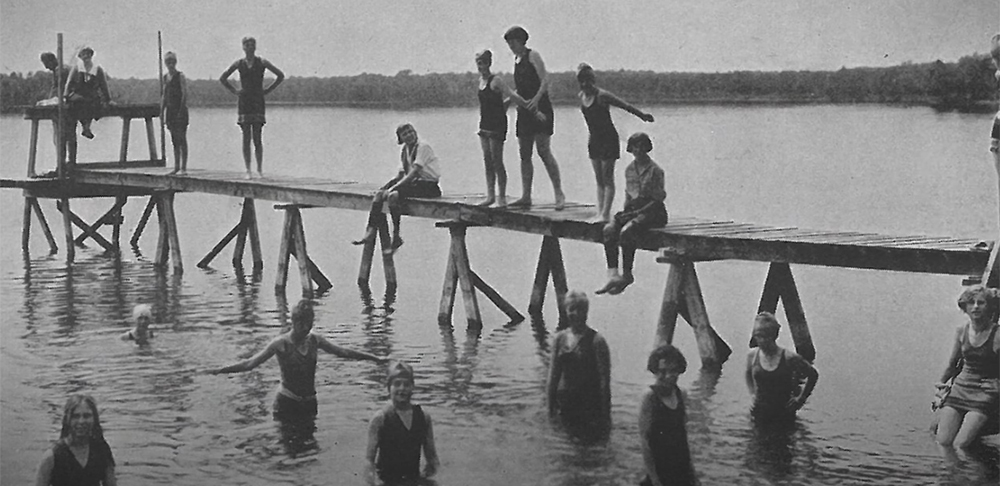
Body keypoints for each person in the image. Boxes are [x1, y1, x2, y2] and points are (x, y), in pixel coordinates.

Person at [210, 300, 386, 417]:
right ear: (294, 323)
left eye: (309, 325)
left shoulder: (314, 340)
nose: (306, 330)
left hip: (310, 402)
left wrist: (374, 358)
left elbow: (343, 352)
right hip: (287, 401)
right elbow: (250, 363)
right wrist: (221, 370)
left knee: (309, 450)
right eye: (302, 326)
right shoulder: (280, 344)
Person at [576, 63, 655, 222]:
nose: (585, 85)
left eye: (588, 81)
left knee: (607, 177)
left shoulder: (602, 96)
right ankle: (600, 211)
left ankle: (605, 214)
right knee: (598, 178)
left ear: (593, 80)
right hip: (594, 140)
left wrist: (642, 116)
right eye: (582, 81)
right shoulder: (581, 97)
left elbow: (625, 105)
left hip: (608, 139)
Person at [352, 123, 442, 255]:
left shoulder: (423, 147)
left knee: (393, 195)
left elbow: (414, 172)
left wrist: (393, 188)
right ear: (401, 138)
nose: (409, 135)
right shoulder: (405, 150)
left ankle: (396, 235)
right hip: (415, 184)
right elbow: (401, 174)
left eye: (411, 131)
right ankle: (370, 231)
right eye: (405, 134)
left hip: (428, 186)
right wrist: (384, 188)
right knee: (379, 195)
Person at [596, 132, 667, 295]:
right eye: (636, 146)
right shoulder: (629, 169)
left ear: (647, 147)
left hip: (653, 211)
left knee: (627, 231)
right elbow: (629, 194)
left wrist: (636, 213)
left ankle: (627, 275)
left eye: (642, 145)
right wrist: (625, 212)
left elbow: (658, 199)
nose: (639, 149)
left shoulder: (656, 170)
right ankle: (613, 275)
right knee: (609, 229)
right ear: (631, 148)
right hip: (634, 209)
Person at [503, 26, 566, 210]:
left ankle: (559, 194)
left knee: (543, 151)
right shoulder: (516, 60)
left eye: (513, 42)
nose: (511, 47)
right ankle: (526, 196)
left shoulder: (533, 56)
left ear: (521, 40)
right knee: (524, 154)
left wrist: (536, 101)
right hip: (524, 110)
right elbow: (522, 87)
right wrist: (509, 100)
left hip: (541, 108)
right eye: (509, 44)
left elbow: (545, 80)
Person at [934, 285, 1000, 448]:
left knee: (960, 445)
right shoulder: (961, 331)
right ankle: (953, 474)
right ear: (965, 307)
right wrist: (939, 389)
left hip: (984, 394)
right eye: (971, 303)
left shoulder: (997, 334)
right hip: (960, 389)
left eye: (981, 303)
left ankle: (970, 473)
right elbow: (952, 364)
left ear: (990, 307)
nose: (976, 306)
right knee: (943, 443)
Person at [474, 49, 537, 208]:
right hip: (484, 124)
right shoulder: (480, 81)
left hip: (497, 125)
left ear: (489, 63)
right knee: (488, 161)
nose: (481, 67)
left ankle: (501, 198)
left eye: (484, 63)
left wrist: (530, 107)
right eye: (479, 64)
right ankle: (490, 196)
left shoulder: (496, 81)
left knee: (497, 161)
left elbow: (512, 95)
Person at [365, 362, 440, 485]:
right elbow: (369, 460)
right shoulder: (380, 419)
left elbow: (432, 457)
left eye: (406, 384)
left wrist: (431, 477)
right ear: (389, 388)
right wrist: (371, 481)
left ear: (412, 387)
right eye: (397, 384)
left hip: (413, 479)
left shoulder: (423, 417)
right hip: (387, 480)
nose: (402, 389)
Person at [219, 36, 284, 179]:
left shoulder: (262, 62)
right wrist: (235, 91)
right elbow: (223, 78)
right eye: (247, 45)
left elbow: (280, 75)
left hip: (257, 101)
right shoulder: (239, 63)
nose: (249, 47)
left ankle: (259, 170)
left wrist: (267, 90)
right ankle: (248, 170)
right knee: (246, 137)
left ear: (255, 47)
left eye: (252, 45)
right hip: (244, 101)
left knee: (257, 137)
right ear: (243, 47)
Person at [547, 290, 611, 423]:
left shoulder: (597, 341)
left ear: (586, 312)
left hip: (589, 405)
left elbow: (604, 382)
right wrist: (550, 411)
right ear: (566, 311)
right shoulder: (559, 339)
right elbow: (553, 378)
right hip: (564, 403)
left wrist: (606, 417)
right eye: (572, 309)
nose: (576, 314)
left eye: (581, 309)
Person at [744, 312, 819, 424]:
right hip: (759, 412)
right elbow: (748, 373)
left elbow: (813, 375)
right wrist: (752, 394)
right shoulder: (752, 356)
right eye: (758, 336)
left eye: (766, 336)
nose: (762, 340)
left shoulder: (789, 358)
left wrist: (800, 399)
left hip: (784, 414)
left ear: (774, 336)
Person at [639, 344, 698, 486]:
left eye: (672, 371)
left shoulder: (681, 394)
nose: (667, 376)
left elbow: (683, 437)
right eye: (662, 371)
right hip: (660, 466)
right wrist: (654, 479)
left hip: (680, 465)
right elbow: (645, 442)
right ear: (655, 371)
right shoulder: (650, 397)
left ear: (679, 370)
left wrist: (693, 474)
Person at [35, 394, 117, 486]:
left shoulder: (102, 451)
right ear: (67, 420)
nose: (81, 421)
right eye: (75, 416)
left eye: (87, 416)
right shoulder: (52, 457)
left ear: (94, 419)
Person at [37, 52, 76, 174]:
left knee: (62, 138)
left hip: (66, 108)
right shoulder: (61, 69)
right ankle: (68, 164)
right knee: (68, 137)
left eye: (46, 64)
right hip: (70, 107)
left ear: (51, 60)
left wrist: (47, 103)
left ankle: (64, 165)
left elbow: (59, 91)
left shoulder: (61, 71)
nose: (46, 67)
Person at [64, 47, 111, 141]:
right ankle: (85, 127)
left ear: (91, 56)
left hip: (91, 95)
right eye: (83, 55)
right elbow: (69, 83)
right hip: (78, 94)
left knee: (94, 103)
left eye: (88, 54)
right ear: (80, 57)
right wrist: (65, 96)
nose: (86, 56)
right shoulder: (77, 68)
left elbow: (103, 85)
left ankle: (86, 128)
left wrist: (108, 99)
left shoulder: (97, 69)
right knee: (79, 102)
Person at [161, 51, 189, 175]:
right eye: (168, 62)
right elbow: (164, 96)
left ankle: (184, 167)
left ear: (175, 62)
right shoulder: (165, 77)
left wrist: (181, 108)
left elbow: (184, 93)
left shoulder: (180, 75)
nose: (170, 64)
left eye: (172, 62)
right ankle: (176, 166)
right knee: (174, 140)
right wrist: (162, 111)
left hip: (180, 110)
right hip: (170, 111)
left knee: (182, 138)